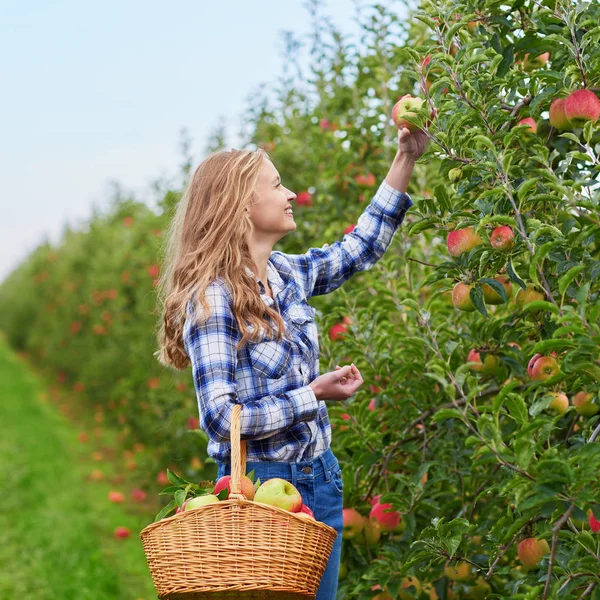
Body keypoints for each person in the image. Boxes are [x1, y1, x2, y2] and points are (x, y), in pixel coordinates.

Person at [155, 125, 428, 599]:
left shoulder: (286, 274)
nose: (292, 194)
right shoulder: (212, 299)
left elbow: (358, 248)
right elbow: (220, 419)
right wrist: (312, 395)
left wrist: (405, 159)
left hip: (320, 479)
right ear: (241, 204)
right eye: (278, 185)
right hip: (259, 492)